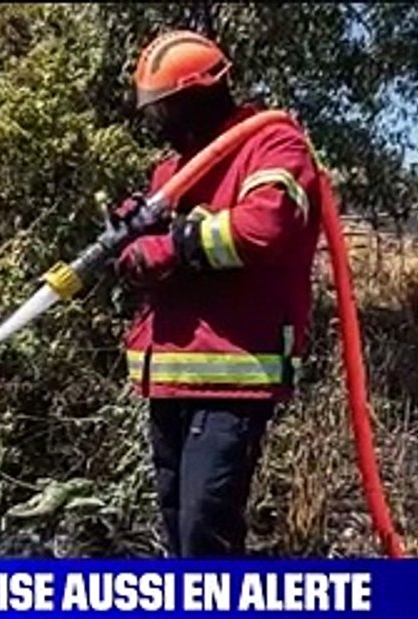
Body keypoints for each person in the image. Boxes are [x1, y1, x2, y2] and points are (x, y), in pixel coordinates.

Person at [112, 30, 321, 557]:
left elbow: (265, 226)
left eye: (164, 110)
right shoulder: (172, 171)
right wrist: (133, 238)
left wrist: (172, 247)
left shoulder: (270, 143)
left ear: (197, 96)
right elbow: (153, 257)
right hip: (169, 378)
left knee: (207, 530)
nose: (157, 124)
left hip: (233, 375)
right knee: (178, 524)